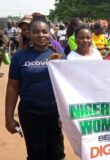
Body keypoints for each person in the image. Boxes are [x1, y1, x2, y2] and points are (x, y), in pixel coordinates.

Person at [5, 17, 65, 160]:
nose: (40, 35)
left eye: (44, 31)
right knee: (36, 153)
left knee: (56, 153)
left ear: (50, 33)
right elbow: (12, 87)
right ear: (29, 34)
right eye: (36, 32)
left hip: (54, 112)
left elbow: (67, 86)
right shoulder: (19, 56)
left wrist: (60, 66)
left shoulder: (59, 55)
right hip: (30, 112)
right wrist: (9, 117)